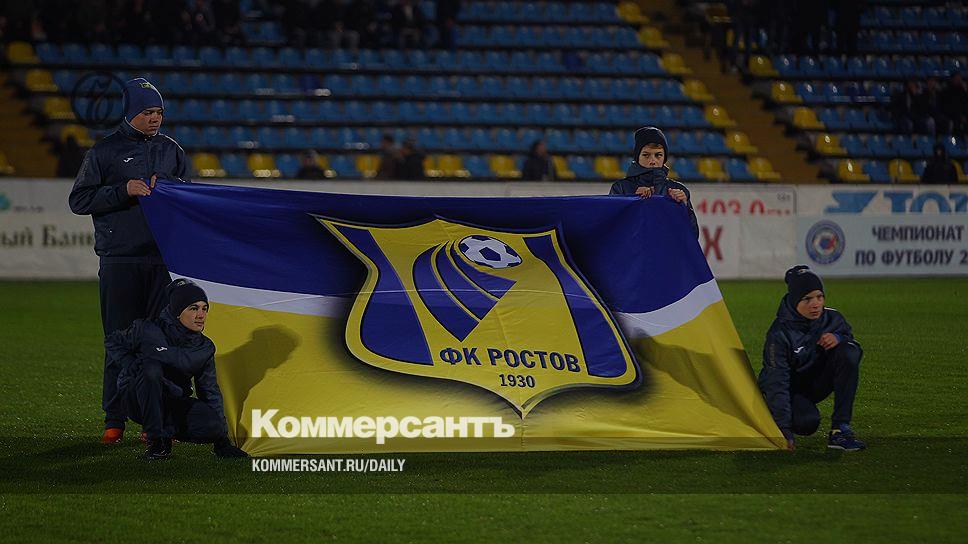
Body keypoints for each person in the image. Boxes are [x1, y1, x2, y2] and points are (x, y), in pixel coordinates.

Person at [68, 77, 190, 444]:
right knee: (120, 341)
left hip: (161, 260)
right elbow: (79, 200)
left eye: (159, 112)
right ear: (130, 112)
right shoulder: (104, 151)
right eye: (148, 112)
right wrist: (123, 190)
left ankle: (155, 422)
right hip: (120, 259)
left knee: (161, 342)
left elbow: (189, 196)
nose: (155, 118)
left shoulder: (171, 150)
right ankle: (115, 419)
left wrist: (172, 187)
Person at [106, 278, 248, 460]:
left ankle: (166, 433)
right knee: (151, 370)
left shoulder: (204, 347)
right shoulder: (148, 328)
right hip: (136, 399)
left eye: (204, 308)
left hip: (172, 401)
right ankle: (156, 442)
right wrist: (130, 364)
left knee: (212, 426)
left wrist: (222, 442)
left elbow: (209, 390)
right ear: (177, 312)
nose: (201, 315)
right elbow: (113, 341)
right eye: (193, 308)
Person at [758, 266, 866, 452]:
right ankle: (770, 414)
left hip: (814, 384)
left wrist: (839, 338)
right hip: (789, 390)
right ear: (794, 301)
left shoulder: (833, 319)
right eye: (807, 299)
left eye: (819, 297)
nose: (816, 304)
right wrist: (784, 429)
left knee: (848, 352)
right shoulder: (779, 334)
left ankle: (840, 429)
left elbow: (854, 350)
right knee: (807, 423)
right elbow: (777, 381)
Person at [608, 126, 699, 237]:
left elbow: (692, 236)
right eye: (646, 155)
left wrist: (684, 208)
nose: (652, 161)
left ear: (664, 157)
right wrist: (633, 200)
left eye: (658, 155)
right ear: (637, 157)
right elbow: (612, 231)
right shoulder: (620, 188)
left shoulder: (679, 190)